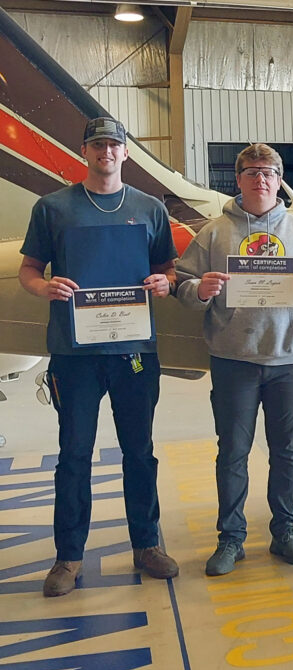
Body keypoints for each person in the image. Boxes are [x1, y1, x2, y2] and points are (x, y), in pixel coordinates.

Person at [18, 116, 179, 596]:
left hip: (133, 352)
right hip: (75, 353)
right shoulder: (53, 208)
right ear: (84, 152)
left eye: (114, 144)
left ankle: (147, 544)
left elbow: (166, 270)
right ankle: (68, 557)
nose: (106, 151)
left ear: (126, 153)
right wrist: (44, 286)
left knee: (139, 452)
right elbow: (29, 270)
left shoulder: (150, 209)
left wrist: (164, 284)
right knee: (73, 455)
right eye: (97, 144)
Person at [176, 143, 293, 576]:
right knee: (232, 451)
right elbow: (183, 285)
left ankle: (285, 530)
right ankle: (231, 538)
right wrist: (200, 290)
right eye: (252, 172)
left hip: (289, 358)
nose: (261, 179)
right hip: (234, 358)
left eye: (269, 172)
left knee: (286, 451)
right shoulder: (213, 233)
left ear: (279, 179)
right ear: (239, 179)